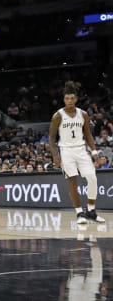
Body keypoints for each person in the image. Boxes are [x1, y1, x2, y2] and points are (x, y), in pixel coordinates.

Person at [48, 81, 104, 224]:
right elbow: (52, 138)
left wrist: (95, 152)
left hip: (81, 150)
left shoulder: (83, 114)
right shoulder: (58, 116)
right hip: (66, 151)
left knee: (92, 178)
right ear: (64, 100)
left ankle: (91, 211)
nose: (70, 101)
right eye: (67, 98)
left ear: (76, 99)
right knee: (73, 181)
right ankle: (79, 213)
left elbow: (88, 135)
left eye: (72, 98)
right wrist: (55, 155)